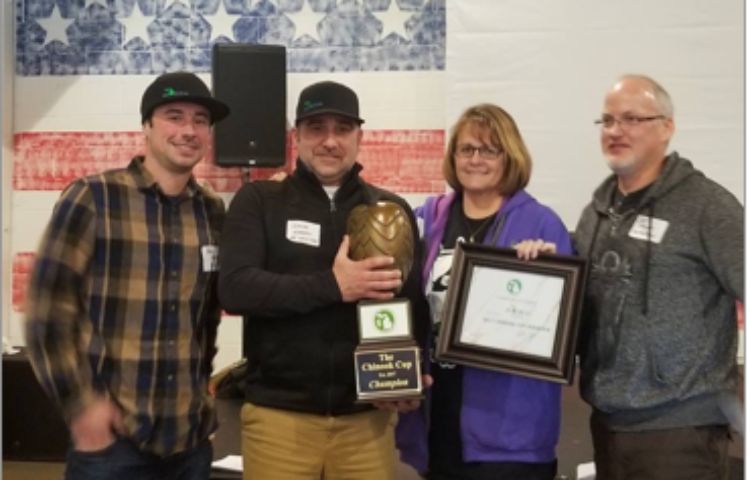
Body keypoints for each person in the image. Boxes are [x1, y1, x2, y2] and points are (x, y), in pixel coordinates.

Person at [218, 80, 430, 480]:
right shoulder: (259, 202)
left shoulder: (389, 208)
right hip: (279, 420)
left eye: (343, 129)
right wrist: (334, 286)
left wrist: (411, 374)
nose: (330, 141)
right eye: (316, 128)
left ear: (359, 138)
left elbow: (410, 302)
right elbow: (236, 288)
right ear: (296, 136)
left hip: (367, 422)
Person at [24, 71, 230, 480]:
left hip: (189, 444)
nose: (188, 130)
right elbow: (46, 313)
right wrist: (81, 406)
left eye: (200, 120)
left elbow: (206, 316)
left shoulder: (212, 210)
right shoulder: (93, 197)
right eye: (174, 116)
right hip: (113, 445)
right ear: (147, 126)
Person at [574, 74, 744, 479]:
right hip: (607, 423)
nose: (616, 131)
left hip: (682, 432)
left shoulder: (707, 207)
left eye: (632, 119)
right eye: (608, 121)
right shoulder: (595, 213)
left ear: (666, 127)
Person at [397, 103, 573, 480]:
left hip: (509, 430)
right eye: (466, 149)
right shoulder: (428, 217)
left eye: (489, 150)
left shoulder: (542, 223)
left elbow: (561, 326)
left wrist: (545, 274)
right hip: (439, 411)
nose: (475, 159)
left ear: (509, 157)